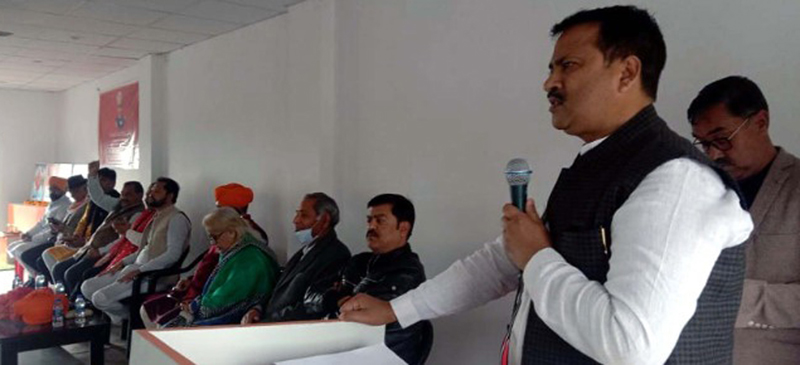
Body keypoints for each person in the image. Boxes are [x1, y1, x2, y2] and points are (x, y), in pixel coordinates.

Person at [339, 6, 753, 365]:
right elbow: (500, 263)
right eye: (551, 68)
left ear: (627, 72)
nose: (549, 83)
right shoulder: (600, 165)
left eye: (568, 66)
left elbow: (630, 346)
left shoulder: (676, 181)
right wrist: (396, 309)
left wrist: (537, 256)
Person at [688, 76, 800, 364]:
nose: (713, 154)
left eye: (722, 139)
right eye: (704, 144)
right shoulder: (699, 192)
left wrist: (733, 297)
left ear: (760, 122)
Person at [305, 194, 428, 364]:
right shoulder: (358, 262)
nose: (371, 226)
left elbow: (356, 321)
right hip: (340, 350)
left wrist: (335, 297)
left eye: (380, 221)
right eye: (369, 220)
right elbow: (310, 295)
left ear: (403, 228)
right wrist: (339, 299)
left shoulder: (407, 273)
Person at [140, 183, 272, 327]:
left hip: (221, 311)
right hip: (201, 295)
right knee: (148, 311)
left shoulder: (248, 256)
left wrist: (193, 305)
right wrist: (190, 281)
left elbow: (226, 296)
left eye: (220, 208)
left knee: (166, 327)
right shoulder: (233, 242)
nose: (213, 242)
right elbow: (212, 272)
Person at [81, 177, 190, 323]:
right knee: (87, 286)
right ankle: (125, 317)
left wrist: (141, 270)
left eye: (156, 191)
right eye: (151, 190)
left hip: (154, 276)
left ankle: (130, 318)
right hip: (135, 269)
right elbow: (146, 249)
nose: (151, 194)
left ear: (170, 196)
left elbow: (173, 255)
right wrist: (122, 262)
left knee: (99, 298)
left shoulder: (177, 219)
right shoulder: (157, 216)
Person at [240, 192, 351, 324]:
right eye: (297, 214)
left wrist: (267, 322)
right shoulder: (306, 251)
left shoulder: (335, 254)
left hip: (288, 330)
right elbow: (278, 288)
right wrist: (257, 309)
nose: (295, 220)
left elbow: (309, 307)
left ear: (325, 220)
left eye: (303, 215)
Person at [158, 207, 278, 328]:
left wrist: (194, 306)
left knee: (170, 331)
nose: (213, 243)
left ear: (232, 232)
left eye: (214, 237)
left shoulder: (249, 259)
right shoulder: (238, 247)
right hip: (219, 308)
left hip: (235, 319)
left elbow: (224, 300)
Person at [46, 181, 145, 298]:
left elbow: (122, 241)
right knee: (58, 268)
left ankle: (77, 303)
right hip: (88, 248)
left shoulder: (137, 214)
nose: (123, 197)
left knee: (72, 274)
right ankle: (64, 300)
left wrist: (101, 251)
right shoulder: (118, 208)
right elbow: (97, 230)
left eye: (128, 194)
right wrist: (82, 242)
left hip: (107, 254)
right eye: (123, 194)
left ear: (139, 195)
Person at [8, 177, 70, 280]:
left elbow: (53, 230)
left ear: (63, 191)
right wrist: (28, 234)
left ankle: (37, 278)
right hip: (38, 238)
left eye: (56, 189)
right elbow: (41, 224)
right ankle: (32, 277)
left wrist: (33, 238)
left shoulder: (65, 206)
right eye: (51, 188)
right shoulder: (53, 204)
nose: (52, 191)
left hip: (48, 240)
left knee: (19, 250)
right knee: (12, 246)